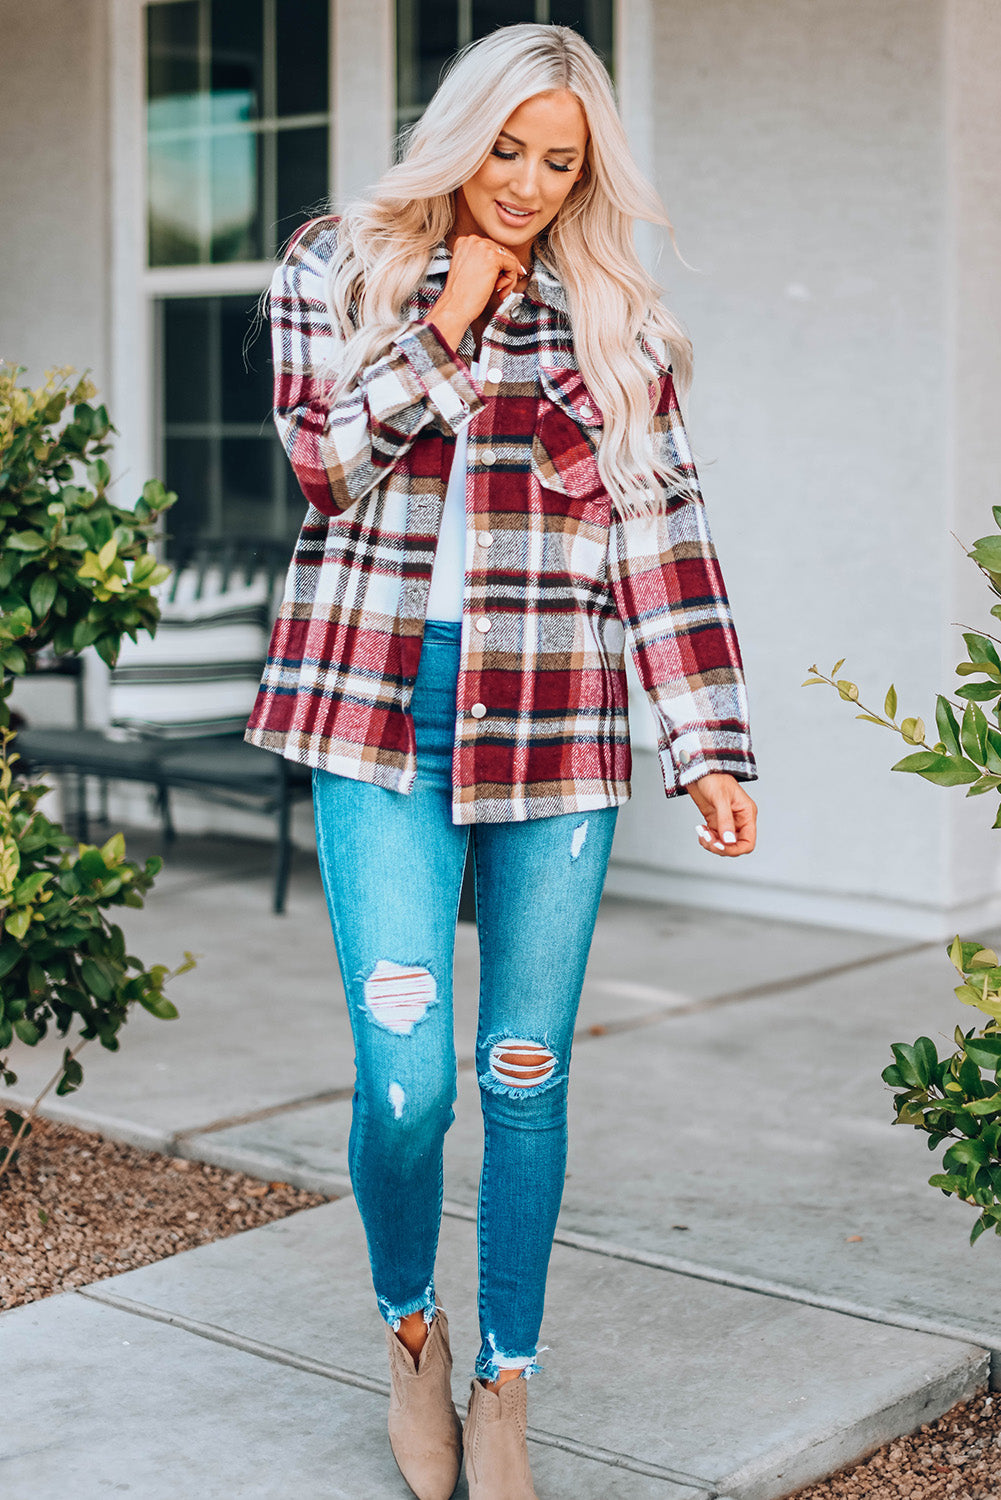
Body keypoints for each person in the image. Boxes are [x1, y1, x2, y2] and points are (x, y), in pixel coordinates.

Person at [246, 22, 758, 1500]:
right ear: (456, 130)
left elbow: (661, 543)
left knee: (519, 1076)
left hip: (555, 729)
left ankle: (506, 1381)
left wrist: (706, 737)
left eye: (559, 162)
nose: (529, 185)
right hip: (374, 711)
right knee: (406, 1081)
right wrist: (451, 316)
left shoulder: (615, 320)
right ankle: (410, 1327)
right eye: (509, 149)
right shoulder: (332, 267)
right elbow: (322, 465)